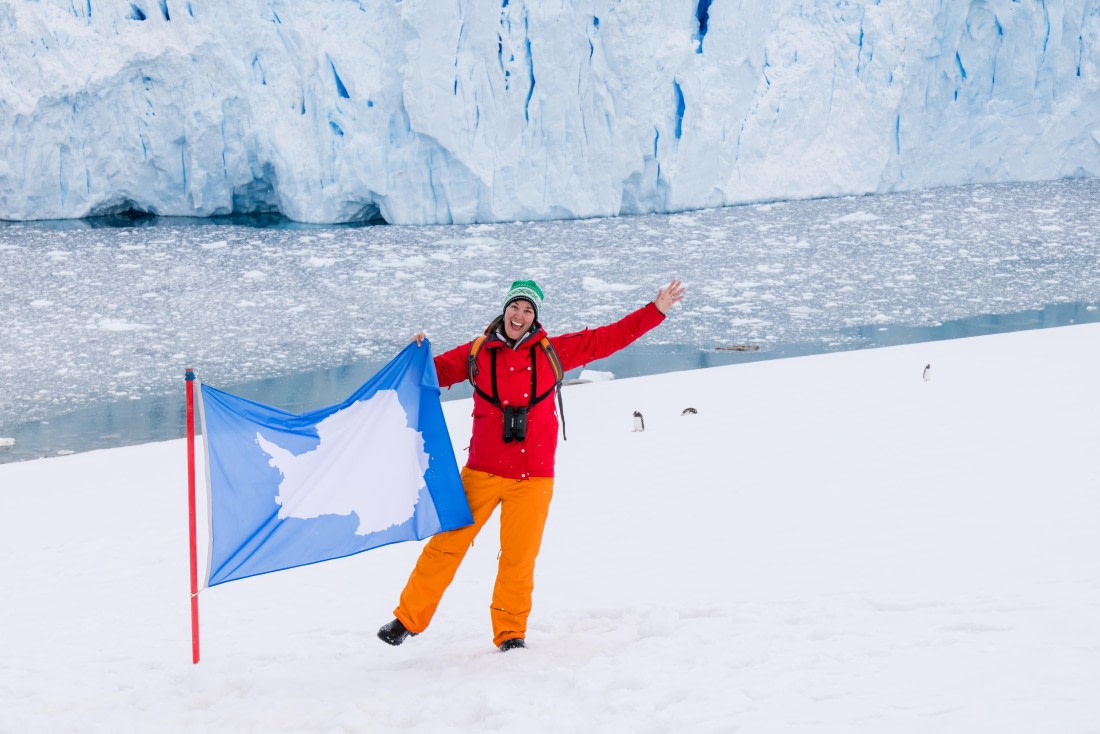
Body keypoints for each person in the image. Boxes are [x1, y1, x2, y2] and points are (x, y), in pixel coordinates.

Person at [378, 278, 686, 652]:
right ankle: (407, 619)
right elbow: (428, 376)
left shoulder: (553, 352)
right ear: (504, 309)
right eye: (515, 307)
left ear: (535, 317)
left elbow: (610, 338)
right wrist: (414, 355)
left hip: (533, 477)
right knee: (446, 546)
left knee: (518, 558)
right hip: (482, 472)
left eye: (528, 310)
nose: (519, 315)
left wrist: (655, 311)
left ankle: (510, 633)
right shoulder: (477, 352)